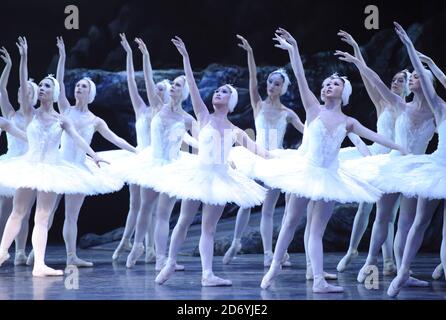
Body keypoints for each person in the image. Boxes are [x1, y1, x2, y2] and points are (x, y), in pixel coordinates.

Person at [259, 28, 406, 293]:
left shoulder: (349, 121)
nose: (329, 85)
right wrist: (293, 49)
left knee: (316, 230)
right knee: (291, 222)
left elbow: (375, 136)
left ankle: (318, 280)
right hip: (306, 171)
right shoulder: (313, 109)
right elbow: (301, 77)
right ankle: (273, 268)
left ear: (344, 92)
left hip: (329, 177)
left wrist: (401, 148)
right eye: (326, 83)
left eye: (335, 84)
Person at [154, 36, 268, 287]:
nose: (218, 93)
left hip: (220, 178)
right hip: (199, 174)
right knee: (183, 219)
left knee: (209, 228)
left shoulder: (235, 130)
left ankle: (207, 274)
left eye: (224, 92)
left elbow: (261, 152)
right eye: (217, 90)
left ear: (231, 102)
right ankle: (170, 260)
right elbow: (192, 87)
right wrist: (185, 58)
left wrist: (285, 157)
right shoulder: (203, 116)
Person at [0, 37, 107, 277]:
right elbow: (21, 81)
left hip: (51, 169)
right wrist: (24, 58)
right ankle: (2, 252)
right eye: (41, 86)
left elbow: (78, 139)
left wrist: (94, 154)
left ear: (55, 92)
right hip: (29, 166)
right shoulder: (30, 112)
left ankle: (38, 264)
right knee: (18, 212)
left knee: (43, 216)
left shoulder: (62, 118)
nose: (42, 89)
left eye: (47, 86)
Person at [223, 34, 304, 268]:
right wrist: (250, 53)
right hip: (255, 156)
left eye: (276, 84)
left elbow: (307, 130)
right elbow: (251, 79)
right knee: (246, 202)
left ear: (283, 88)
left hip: (276, 159)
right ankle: (236, 241)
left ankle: (269, 253)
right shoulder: (258, 104)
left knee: (268, 209)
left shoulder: (288, 113)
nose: (271, 86)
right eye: (270, 82)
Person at [335, 30, 412, 275]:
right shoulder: (382, 104)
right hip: (375, 158)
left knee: (389, 213)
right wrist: (357, 49)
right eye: (395, 79)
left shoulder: (410, 110)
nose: (395, 82)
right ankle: (353, 250)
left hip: (396, 161)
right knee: (365, 208)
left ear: (409, 86)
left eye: (401, 80)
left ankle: (388, 260)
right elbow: (369, 78)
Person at [0, 45, 38, 265]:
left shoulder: (33, 116)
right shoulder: (10, 114)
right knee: (5, 209)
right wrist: (9, 66)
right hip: (10, 164)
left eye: (27, 93)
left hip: (28, 166)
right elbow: (1, 90)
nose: (22, 95)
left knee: (22, 211)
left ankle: (21, 251)